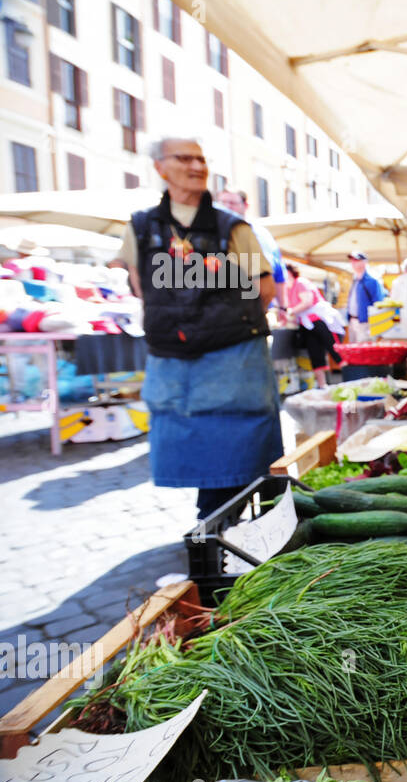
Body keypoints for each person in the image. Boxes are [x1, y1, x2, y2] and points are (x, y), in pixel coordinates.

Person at [111, 135, 281, 520]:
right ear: (160, 167)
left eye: (201, 159)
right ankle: (215, 526)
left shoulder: (233, 227)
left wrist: (221, 324)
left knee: (242, 448)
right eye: (184, 158)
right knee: (196, 447)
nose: (197, 166)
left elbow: (265, 289)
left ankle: (230, 528)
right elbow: (142, 287)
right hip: (174, 362)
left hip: (234, 362)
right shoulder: (140, 227)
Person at [215, 188, 287, 303]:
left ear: (245, 206)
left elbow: (277, 271)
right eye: (222, 202)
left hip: (252, 303)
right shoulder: (209, 232)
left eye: (232, 203)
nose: (227, 206)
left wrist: (283, 305)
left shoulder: (261, 234)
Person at [284, 261, 343, 388]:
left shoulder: (300, 282)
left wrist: (291, 311)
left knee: (336, 351)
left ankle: (351, 377)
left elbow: (307, 302)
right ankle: (323, 386)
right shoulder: (287, 288)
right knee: (315, 355)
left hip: (320, 321)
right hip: (307, 325)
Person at [345, 250, 385, 342]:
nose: (353, 263)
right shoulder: (355, 279)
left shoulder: (372, 280)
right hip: (353, 320)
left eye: (356, 260)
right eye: (352, 260)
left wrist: (373, 325)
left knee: (362, 348)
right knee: (354, 349)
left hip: (365, 323)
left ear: (364, 262)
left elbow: (378, 303)